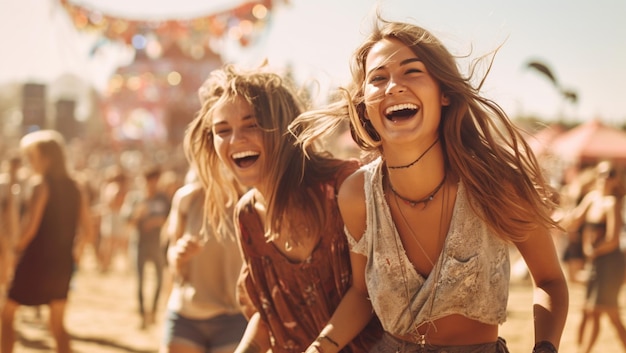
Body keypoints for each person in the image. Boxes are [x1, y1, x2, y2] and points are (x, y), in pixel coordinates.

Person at [291, 17, 569, 353]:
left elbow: (550, 280)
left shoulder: (496, 182)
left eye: (412, 71)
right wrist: (320, 348)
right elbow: (362, 293)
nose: (393, 86)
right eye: (378, 78)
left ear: (445, 94)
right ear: (364, 106)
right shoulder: (356, 195)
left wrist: (545, 348)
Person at [184, 64, 382, 353]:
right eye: (222, 130)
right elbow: (268, 316)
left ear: (283, 126)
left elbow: (366, 291)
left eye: (251, 125)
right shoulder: (247, 215)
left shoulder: (343, 186)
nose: (235, 140)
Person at [0, 130, 94, 353]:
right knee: (57, 324)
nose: (30, 162)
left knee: (7, 315)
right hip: (61, 264)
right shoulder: (76, 186)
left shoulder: (41, 185)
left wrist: (14, 250)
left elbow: (30, 229)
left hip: (35, 262)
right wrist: (75, 256)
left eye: (32, 156)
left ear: (46, 157)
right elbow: (88, 230)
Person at [159, 167, 247, 352]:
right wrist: (179, 254)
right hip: (185, 315)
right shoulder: (187, 198)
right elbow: (172, 255)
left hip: (234, 318)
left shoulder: (249, 202)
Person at [561, 160, 626, 353]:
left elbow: (612, 240)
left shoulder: (612, 202)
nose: (604, 179)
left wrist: (592, 251)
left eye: (609, 175)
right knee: (596, 311)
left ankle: (584, 351)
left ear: (616, 179)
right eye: (601, 174)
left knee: (598, 311)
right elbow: (574, 221)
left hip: (610, 262)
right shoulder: (591, 197)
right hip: (596, 261)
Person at [126, 165, 171, 329]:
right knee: (140, 281)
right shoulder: (136, 198)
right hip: (139, 244)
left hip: (158, 245)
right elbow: (128, 222)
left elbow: (171, 219)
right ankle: (142, 315)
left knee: (159, 280)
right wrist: (139, 215)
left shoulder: (164, 198)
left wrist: (157, 221)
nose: (152, 183)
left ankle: (152, 311)